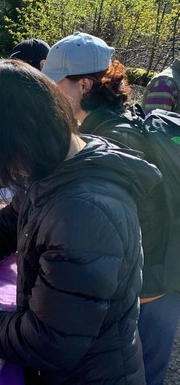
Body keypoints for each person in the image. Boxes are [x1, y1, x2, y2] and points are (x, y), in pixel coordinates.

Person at [0, 59, 161, 384]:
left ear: (24, 133)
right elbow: (9, 224)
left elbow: (50, 341)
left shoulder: (83, 212)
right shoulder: (58, 163)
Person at [42, 31, 180, 385]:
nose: (50, 93)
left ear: (84, 85)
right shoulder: (123, 119)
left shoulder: (106, 141)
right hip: (160, 284)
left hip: (143, 296)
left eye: (55, 84)